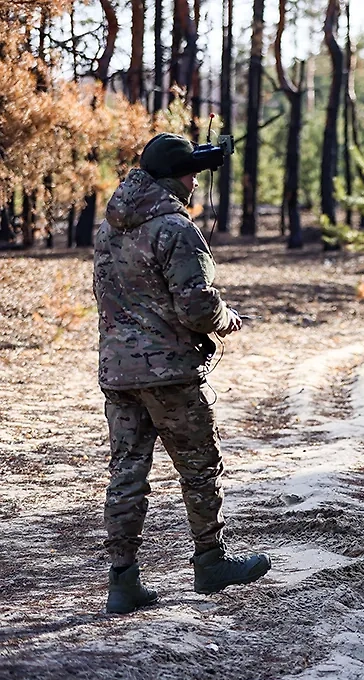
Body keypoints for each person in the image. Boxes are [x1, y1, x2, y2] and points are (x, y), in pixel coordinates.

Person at [93, 133, 270, 614]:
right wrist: (227, 319)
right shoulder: (175, 228)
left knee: (126, 473)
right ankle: (210, 562)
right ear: (176, 178)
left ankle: (122, 581)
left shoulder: (108, 228)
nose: (195, 181)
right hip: (170, 374)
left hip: (119, 373)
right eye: (191, 173)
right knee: (199, 468)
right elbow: (196, 306)